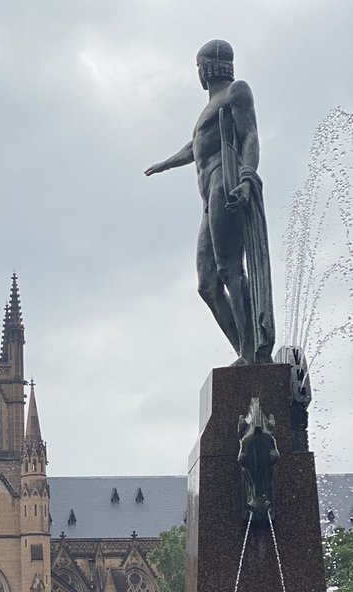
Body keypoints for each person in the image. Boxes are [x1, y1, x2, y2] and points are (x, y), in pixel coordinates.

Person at [145, 39, 274, 366]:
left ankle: (251, 353)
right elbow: (196, 146)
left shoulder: (236, 91)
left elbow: (250, 136)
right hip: (208, 195)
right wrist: (166, 164)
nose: (199, 73)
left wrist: (247, 179)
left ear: (208, 67)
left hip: (224, 183)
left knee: (229, 268)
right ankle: (244, 351)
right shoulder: (211, 106)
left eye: (199, 67)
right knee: (207, 284)